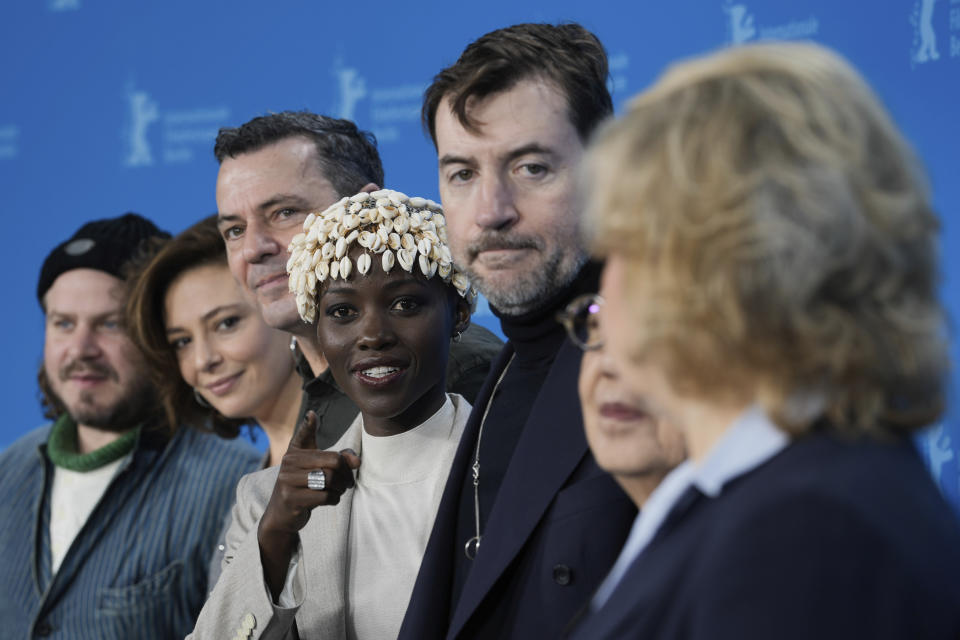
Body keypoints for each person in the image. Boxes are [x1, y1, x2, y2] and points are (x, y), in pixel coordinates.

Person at [569, 42, 960, 639]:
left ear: (709, 273)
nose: (604, 283)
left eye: (620, 249)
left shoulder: (806, 536)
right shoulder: (778, 494)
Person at [399, 23, 636, 640]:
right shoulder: (503, 367)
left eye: (531, 168)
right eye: (461, 174)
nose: (491, 210)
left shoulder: (671, 362)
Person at [188, 190, 476, 640]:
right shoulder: (266, 501)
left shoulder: (515, 464)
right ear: (318, 332)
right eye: (343, 312)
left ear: (458, 314)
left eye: (405, 304)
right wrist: (276, 534)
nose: (373, 335)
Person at [0, 213, 261, 638]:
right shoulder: (6, 473)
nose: (81, 349)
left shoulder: (237, 486)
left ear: (158, 336)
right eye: (63, 323)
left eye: (109, 324)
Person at [212, 111, 502, 449]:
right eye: (235, 230)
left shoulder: (451, 371)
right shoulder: (312, 377)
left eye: (284, 213)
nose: (252, 249)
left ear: (369, 210)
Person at [126, 214, 303, 585]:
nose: (203, 360)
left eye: (225, 324)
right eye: (182, 342)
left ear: (284, 306)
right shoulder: (245, 488)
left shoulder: (357, 447)